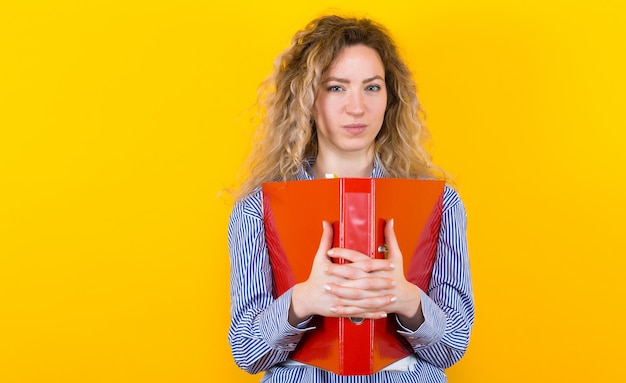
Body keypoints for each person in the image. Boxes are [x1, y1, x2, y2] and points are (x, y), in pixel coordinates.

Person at [227, 14, 474, 382]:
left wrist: (406, 299)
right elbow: (247, 352)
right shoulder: (257, 209)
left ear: (390, 97)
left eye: (372, 87)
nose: (356, 107)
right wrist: (303, 301)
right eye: (336, 87)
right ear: (308, 98)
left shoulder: (441, 203)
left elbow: (452, 347)